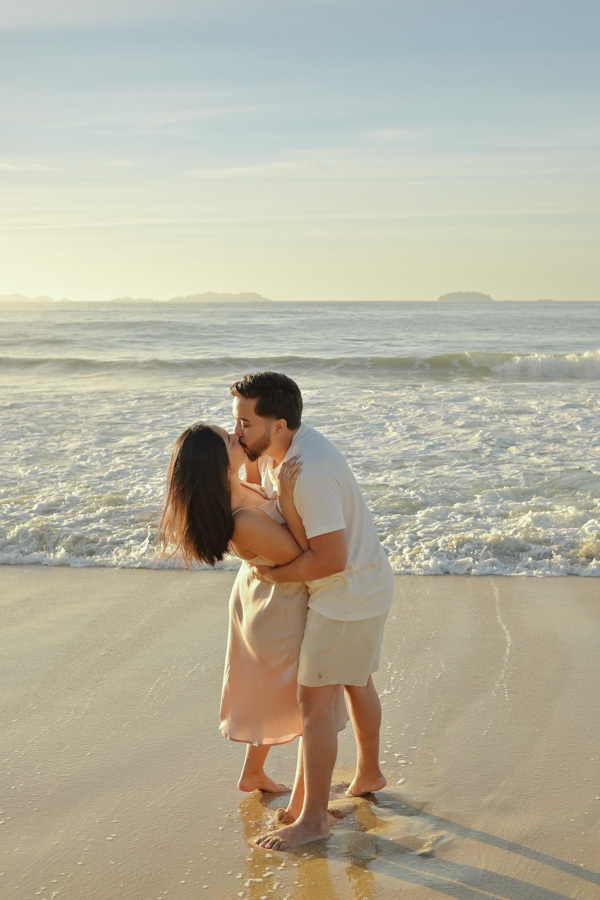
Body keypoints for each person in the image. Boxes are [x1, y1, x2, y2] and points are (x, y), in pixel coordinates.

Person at [230, 371, 394, 851]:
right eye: (235, 420)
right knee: (356, 679)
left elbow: (330, 558)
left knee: (314, 706)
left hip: (347, 593)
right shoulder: (285, 451)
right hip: (356, 586)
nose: (237, 431)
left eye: (244, 422)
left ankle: (314, 821)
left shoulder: (310, 471)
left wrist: (274, 577)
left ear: (278, 424)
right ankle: (368, 774)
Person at [158, 422, 346, 795]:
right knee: (310, 704)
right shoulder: (241, 523)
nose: (237, 434)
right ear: (217, 464)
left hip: (264, 595)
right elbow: (301, 552)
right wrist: (289, 499)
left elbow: (255, 481)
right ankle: (307, 805)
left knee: (276, 692)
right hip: (278, 605)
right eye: (230, 439)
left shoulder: (236, 483)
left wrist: (259, 455)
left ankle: (254, 775)